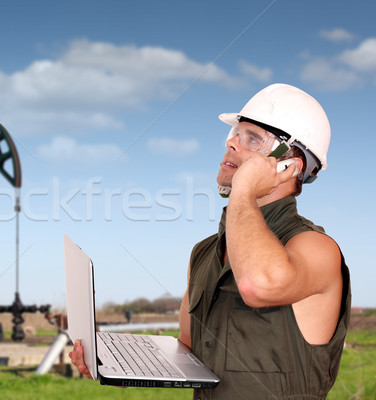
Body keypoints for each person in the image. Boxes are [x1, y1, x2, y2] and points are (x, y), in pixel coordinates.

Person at [69, 83, 351, 399]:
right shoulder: (204, 253)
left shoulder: (316, 248)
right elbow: (188, 348)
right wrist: (121, 365)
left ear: (289, 168)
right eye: (235, 134)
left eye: (252, 139)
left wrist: (244, 189)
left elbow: (257, 285)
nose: (231, 143)